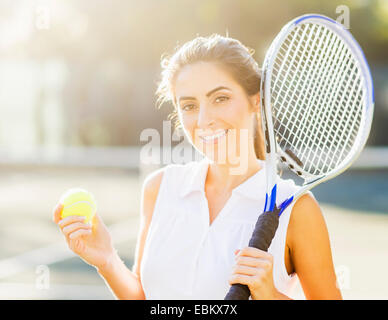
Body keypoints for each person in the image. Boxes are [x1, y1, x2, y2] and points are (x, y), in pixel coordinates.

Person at [53, 34, 342, 300]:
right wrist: (107, 260)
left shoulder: (296, 209)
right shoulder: (159, 188)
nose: (204, 119)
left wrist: (270, 295)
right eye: (189, 106)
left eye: (221, 98)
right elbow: (145, 297)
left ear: (256, 102)